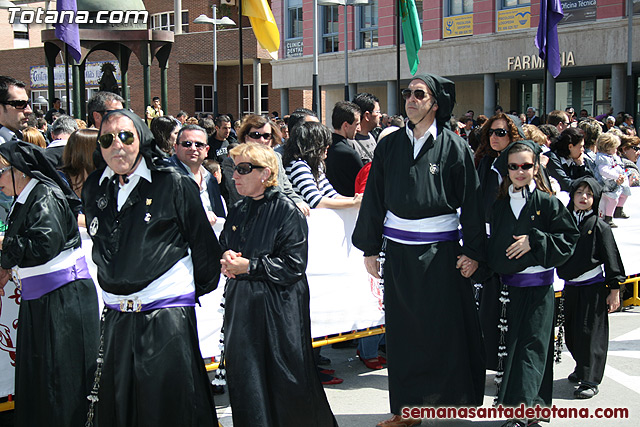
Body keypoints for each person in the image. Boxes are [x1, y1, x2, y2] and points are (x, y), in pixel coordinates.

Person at [352, 74, 487, 427]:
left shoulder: (455, 146)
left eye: (418, 94)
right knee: (403, 333)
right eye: (407, 94)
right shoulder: (389, 145)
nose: (410, 99)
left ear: (435, 103)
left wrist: (473, 251)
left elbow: (472, 204)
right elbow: (375, 199)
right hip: (398, 253)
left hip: (441, 253)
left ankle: (450, 401)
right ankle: (406, 410)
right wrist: (369, 247)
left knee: (444, 329)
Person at [82, 109, 221, 427]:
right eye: (107, 138)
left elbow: (203, 246)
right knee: (120, 408)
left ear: (141, 139)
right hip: (117, 318)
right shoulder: (94, 187)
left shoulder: (172, 182)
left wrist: (178, 295)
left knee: (168, 409)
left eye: (125, 136)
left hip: (165, 316)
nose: (117, 145)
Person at [219, 142, 337, 427]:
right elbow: (224, 245)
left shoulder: (287, 211)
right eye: (235, 169)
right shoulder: (237, 209)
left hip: (279, 309)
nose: (235, 175)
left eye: (244, 169)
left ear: (265, 173)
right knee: (246, 376)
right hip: (243, 306)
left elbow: (294, 265)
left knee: (286, 379)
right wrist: (226, 255)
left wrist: (251, 266)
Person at [0, 140, 98, 426]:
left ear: (20, 172)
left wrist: (6, 245)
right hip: (46, 299)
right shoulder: (30, 196)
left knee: (59, 376)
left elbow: (44, 244)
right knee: (44, 374)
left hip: (62, 300)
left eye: (1, 172)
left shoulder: (44, 194)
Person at [488, 140, 578, 426]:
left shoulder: (547, 203)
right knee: (512, 350)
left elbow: (569, 238)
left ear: (536, 167)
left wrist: (535, 241)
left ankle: (526, 413)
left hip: (539, 290)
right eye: (513, 166)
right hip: (508, 289)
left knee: (532, 348)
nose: (519, 171)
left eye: (526, 166)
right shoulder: (499, 205)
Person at [557, 177, 625, 399]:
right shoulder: (564, 222)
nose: (583, 197)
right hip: (571, 288)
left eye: (588, 194)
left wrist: (614, 291)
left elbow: (611, 258)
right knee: (573, 333)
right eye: (579, 193)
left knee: (591, 334)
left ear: (595, 199)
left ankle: (590, 379)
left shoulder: (599, 226)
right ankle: (581, 367)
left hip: (592, 287)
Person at [232, 114, 310, 214]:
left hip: (277, 212)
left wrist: (298, 202)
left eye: (266, 136)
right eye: (255, 135)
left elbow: (286, 188)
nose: (261, 140)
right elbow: (240, 194)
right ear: (246, 137)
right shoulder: (235, 158)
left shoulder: (276, 157)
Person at [284, 121, 363, 210]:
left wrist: (358, 200)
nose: (327, 147)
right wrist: (353, 203)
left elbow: (332, 195)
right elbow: (317, 201)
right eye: (324, 144)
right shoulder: (298, 166)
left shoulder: (316, 165)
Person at [168, 124, 226, 224]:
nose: (193, 148)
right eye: (187, 144)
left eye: (199, 145)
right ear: (176, 147)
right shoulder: (165, 176)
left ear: (206, 150)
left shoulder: (210, 179)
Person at [325, 100, 364, 197]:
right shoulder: (349, 153)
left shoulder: (323, 148)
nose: (359, 128)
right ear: (346, 125)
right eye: (357, 124)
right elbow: (364, 181)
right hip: (349, 204)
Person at [595, 132, 632, 227]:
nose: (616, 150)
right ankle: (608, 217)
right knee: (613, 199)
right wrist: (616, 176)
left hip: (618, 181)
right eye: (614, 147)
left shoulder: (613, 156)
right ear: (608, 148)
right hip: (608, 183)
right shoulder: (602, 158)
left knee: (625, 193)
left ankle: (619, 210)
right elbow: (604, 171)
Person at [545, 127, 596, 192]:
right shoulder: (552, 159)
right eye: (580, 146)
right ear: (570, 147)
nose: (583, 150)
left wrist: (581, 166)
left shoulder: (577, 159)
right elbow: (566, 184)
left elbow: (592, 182)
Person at [352, 93, 381, 162]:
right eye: (377, 112)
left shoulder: (371, 136)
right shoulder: (352, 142)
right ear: (367, 115)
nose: (380, 115)